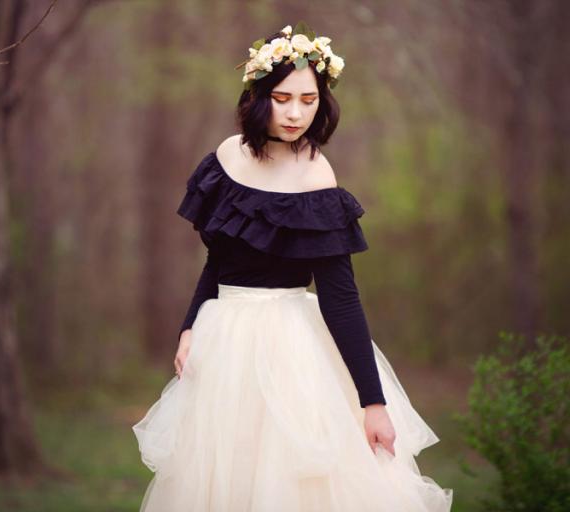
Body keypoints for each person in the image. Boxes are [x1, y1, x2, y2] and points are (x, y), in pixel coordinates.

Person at [132, 22, 454, 512]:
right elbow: (219, 257)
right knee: (222, 483)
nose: (296, 112)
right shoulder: (225, 158)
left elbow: (341, 297)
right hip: (223, 343)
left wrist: (373, 403)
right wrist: (189, 326)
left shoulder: (316, 177)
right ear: (259, 97)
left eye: (309, 99)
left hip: (289, 350)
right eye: (283, 98)